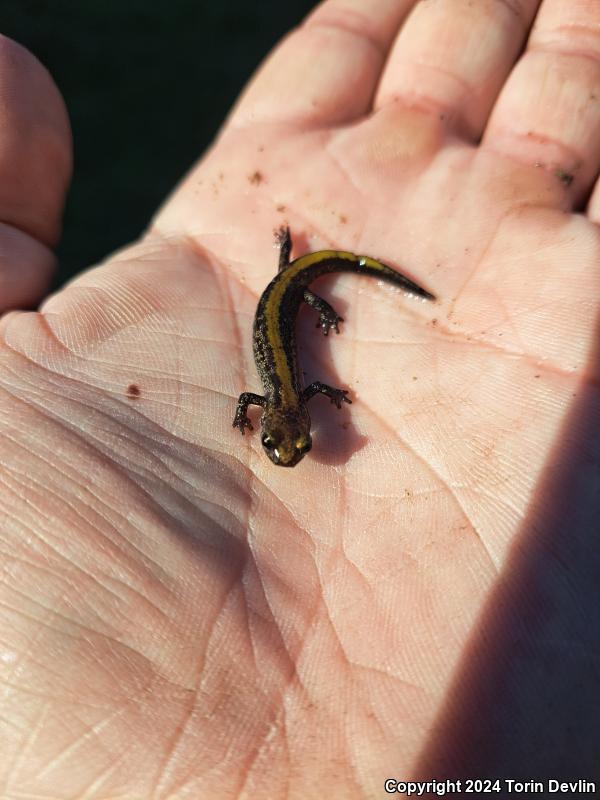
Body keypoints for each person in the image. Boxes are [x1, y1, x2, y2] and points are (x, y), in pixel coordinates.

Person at [1, 1, 599, 796]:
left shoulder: (283, 398)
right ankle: (306, 267)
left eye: (291, 441)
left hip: (289, 293)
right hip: (284, 293)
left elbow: (283, 393)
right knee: (307, 295)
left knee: (313, 294)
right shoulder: (297, 400)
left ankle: (311, 269)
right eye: (293, 441)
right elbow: (301, 389)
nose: (294, 446)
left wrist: (303, 319)